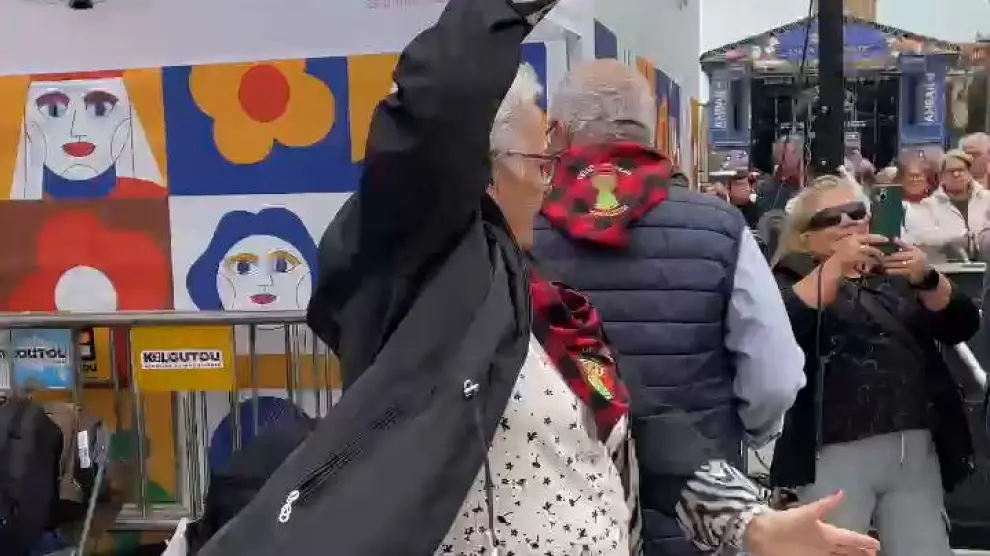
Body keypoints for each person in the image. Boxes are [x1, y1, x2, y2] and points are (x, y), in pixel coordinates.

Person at [193, 2, 880, 555]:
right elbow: (439, 107)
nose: (552, 182)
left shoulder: (542, 297)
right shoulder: (419, 270)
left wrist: (749, 523)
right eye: (537, 162)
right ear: (478, 167)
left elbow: (638, 419)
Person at [533, 59, 807, 556]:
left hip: (563, 515)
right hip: (698, 512)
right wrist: (743, 434)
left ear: (557, 133)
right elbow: (776, 377)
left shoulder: (519, 228)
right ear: (653, 130)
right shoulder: (721, 226)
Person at [770, 175, 977, 556]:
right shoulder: (791, 275)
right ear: (805, 236)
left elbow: (962, 324)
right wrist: (836, 266)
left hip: (912, 445)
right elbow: (781, 326)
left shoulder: (894, 275)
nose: (849, 223)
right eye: (833, 218)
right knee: (835, 548)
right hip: (832, 447)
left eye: (856, 212)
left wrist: (927, 278)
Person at [905, 149, 990, 262]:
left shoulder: (987, 199)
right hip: (949, 269)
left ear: (969, 173)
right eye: (951, 171)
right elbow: (920, 238)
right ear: (942, 177)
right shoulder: (928, 206)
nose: (956, 174)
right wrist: (958, 239)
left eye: (960, 170)